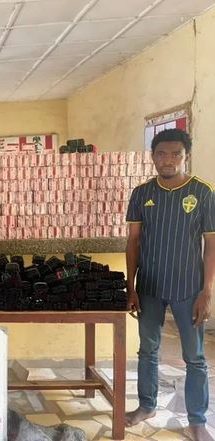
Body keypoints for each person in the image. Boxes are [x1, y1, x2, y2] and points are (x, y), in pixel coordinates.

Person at [125, 129, 215, 441]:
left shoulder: (203, 192)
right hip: (149, 286)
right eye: (161, 154)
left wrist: (207, 291)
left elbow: (211, 245)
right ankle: (146, 406)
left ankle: (197, 420)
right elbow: (133, 242)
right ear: (152, 156)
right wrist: (131, 286)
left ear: (185, 156)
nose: (168, 160)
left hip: (189, 288)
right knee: (147, 350)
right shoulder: (142, 193)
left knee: (195, 357)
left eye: (176, 154)